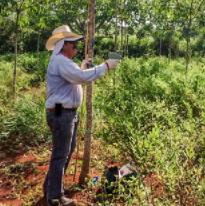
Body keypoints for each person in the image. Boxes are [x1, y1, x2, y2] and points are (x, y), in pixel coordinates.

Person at [43, 25, 121, 206]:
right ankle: (55, 198)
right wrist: (106, 66)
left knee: (63, 154)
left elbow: (74, 78)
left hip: (66, 114)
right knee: (60, 156)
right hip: (62, 115)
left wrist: (83, 67)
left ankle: (50, 189)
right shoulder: (60, 61)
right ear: (63, 45)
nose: (76, 47)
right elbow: (79, 77)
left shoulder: (63, 61)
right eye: (73, 44)